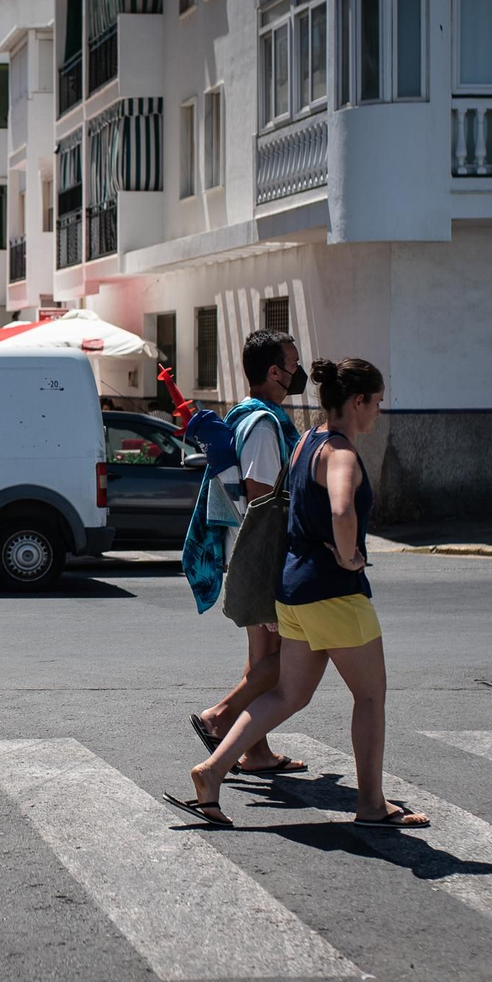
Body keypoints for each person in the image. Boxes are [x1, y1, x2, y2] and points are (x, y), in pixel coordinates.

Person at [167, 358, 430, 829]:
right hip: (335, 593)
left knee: (288, 693)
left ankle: (211, 772)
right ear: (359, 400)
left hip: (292, 590)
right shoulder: (342, 453)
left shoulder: (307, 440)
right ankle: (371, 805)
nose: (378, 413)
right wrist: (349, 555)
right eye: (378, 403)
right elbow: (342, 508)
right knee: (370, 698)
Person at [188, 329, 310, 775]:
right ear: (275, 372)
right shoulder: (262, 425)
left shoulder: (245, 415)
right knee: (288, 657)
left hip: (248, 551)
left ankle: (255, 751)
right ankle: (218, 717)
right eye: (294, 366)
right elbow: (263, 499)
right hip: (261, 554)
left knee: (263, 657)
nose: (299, 374)